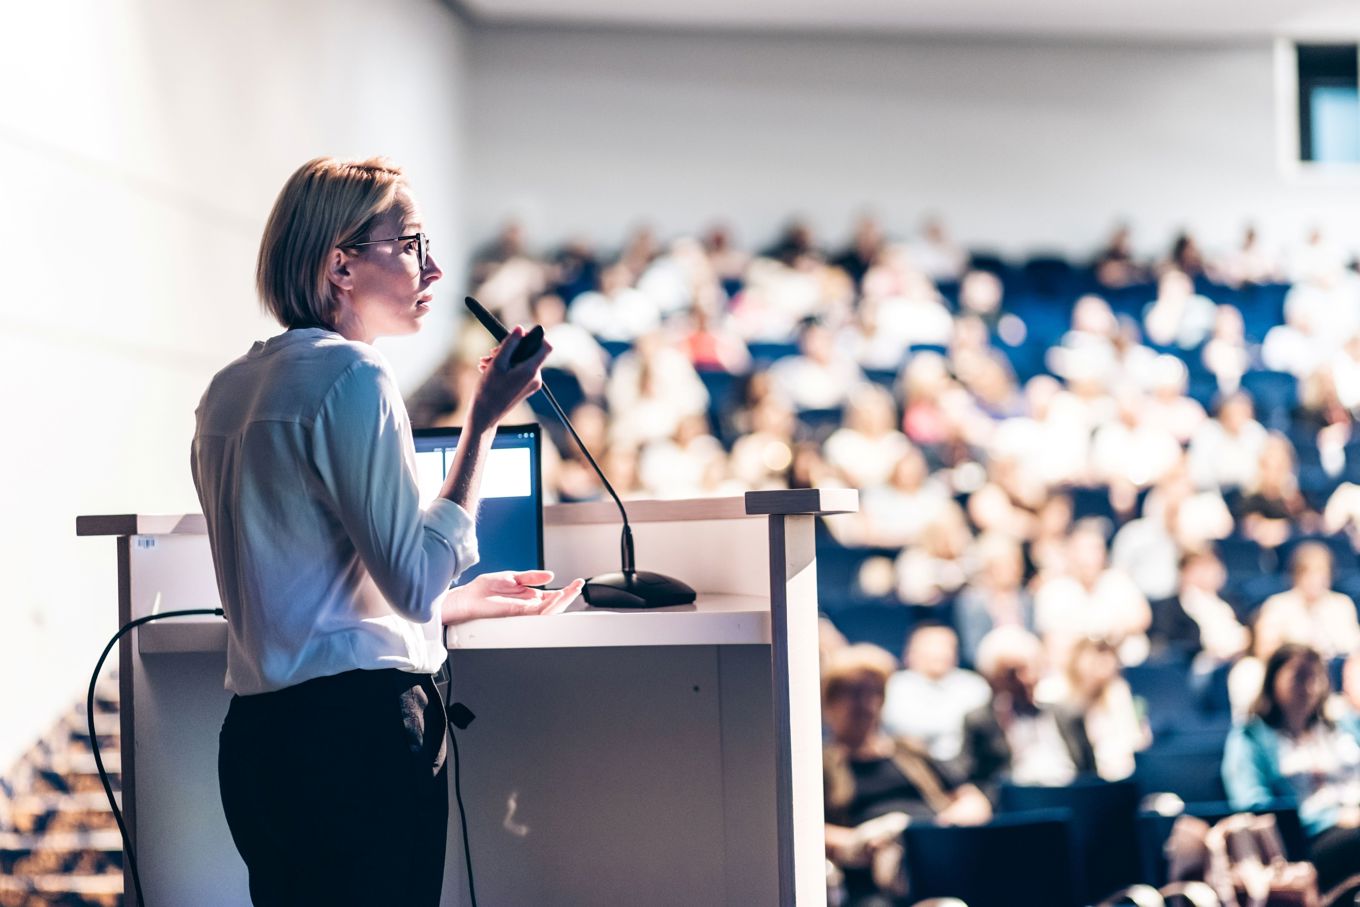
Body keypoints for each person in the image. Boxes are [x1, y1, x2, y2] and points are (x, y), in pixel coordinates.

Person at [191, 157, 584, 906]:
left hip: (257, 744)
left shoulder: (227, 391)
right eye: (409, 245)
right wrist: (486, 418)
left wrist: (453, 604)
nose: (434, 268)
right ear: (340, 265)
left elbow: (306, 587)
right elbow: (410, 580)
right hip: (357, 744)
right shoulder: (354, 378)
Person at [822, 645, 992, 907]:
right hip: (870, 876)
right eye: (854, 693)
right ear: (830, 701)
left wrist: (935, 829)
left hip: (932, 863)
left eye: (875, 692)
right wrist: (859, 841)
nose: (867, 703)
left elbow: (974, 801)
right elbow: (803, 830)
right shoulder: (823, 763)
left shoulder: (908, 750)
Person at [1222, 644, 1360, 903]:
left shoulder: (1342, 725)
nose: (1308, 687)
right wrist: (1333, 817)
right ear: (1273, 681)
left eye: (1315, 676)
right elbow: (1252, 804)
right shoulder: (1251, 736)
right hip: (1305, 840)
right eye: (1299, 676)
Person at [958, 627, 1097, 797]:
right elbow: (972, 780)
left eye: (1032, 668)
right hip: (1016, 806)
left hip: (1070, 798)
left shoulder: (1068, 714)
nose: (1026, 679)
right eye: (1013, 673)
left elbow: (1090, 775)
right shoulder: (980, 721)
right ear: (993, 678)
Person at [880, 624, 992, 763]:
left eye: (946, 646)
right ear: (909, 654)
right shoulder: (892, 686)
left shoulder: (975, 686)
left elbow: (983, 732)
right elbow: (900, 728)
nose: (939, 652)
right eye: (930, 646)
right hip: (908, 765)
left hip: (966, 765)